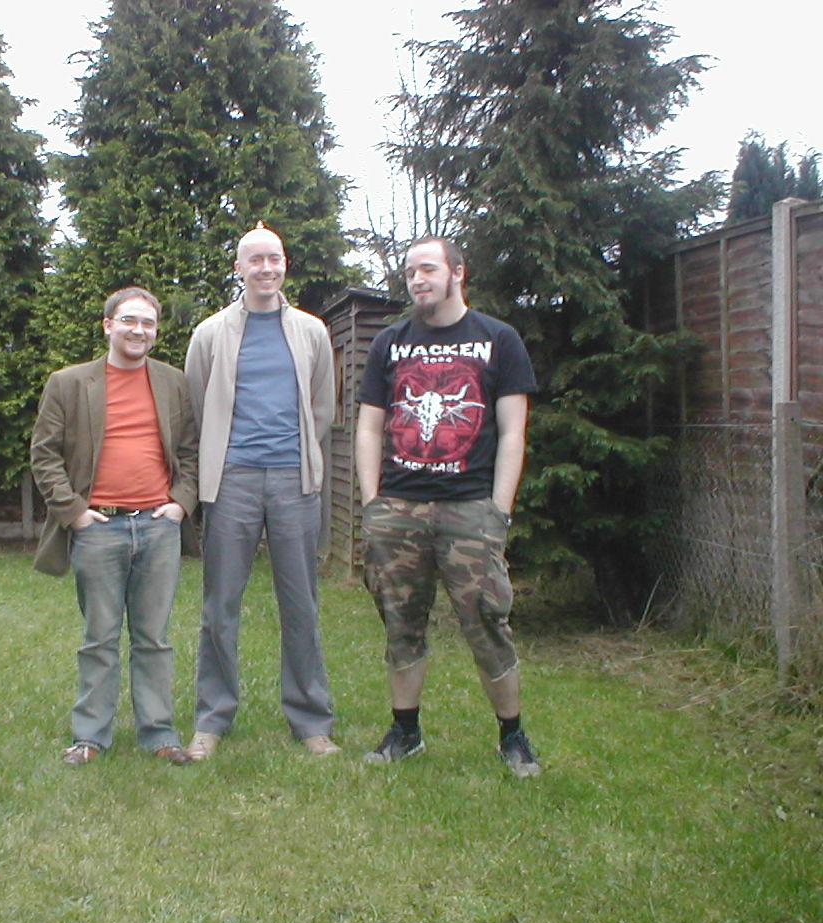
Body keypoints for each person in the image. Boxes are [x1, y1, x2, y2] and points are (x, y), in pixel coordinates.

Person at [355, 236, 541, 777]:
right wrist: (373, 503)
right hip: (399, 508)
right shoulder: (389, 343)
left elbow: (513, 431)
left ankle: (513, 736)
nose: (417, 279)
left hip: (470, 509)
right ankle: (404, 732)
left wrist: (497, 512)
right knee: (400, 624)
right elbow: (369, 427)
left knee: (487, 622)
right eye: (410, 271)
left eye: (428, 269)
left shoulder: (498, 340)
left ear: (459, 272)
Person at [183, 222, 339, 759]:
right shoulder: (210, 334)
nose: (267, 268)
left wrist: (295, 456)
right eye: (256, 260)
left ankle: (311, 720)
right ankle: (212, 717)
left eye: (275, 258)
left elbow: (323, 408)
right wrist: (228, 462)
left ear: (284, 265)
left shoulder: (313, 332)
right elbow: (199, 408)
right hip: (232, 483)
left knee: (302, 604)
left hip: (296, 483)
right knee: (219, 606)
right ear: (239, 268)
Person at [31, 287, 199, 766]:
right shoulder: (68, 383)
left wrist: (181, 504)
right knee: (99, 637)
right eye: (128, 321)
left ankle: (159, 733)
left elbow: (189, 451)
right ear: (108, 326)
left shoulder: (173, 382)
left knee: (154, 638)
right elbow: (44, 455)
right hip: (99, 527)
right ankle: (91, 736)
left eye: (147, 323)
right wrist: (74, 512)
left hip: (158, 527)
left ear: (155, 331)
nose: (138, 331)